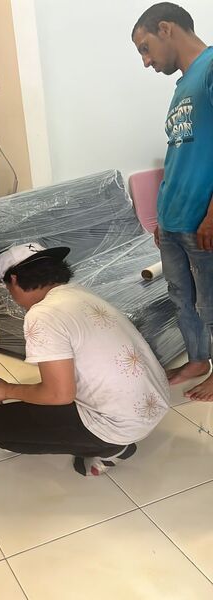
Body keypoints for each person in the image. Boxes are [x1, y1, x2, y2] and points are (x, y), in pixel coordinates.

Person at [0, 243, 169, 476]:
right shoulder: (79, 292)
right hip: (154, 403)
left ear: (14, 280)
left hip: (120, 424)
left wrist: (6, 390)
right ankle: (114, 437)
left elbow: (59, 395)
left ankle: (111, 447)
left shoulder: (42, 314)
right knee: (42, 395)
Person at [132, 3, 213, 401]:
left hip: (202, 219)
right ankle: (198, 360)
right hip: (174, 219)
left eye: (145, 48)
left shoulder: (210, 68)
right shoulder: (182, 86)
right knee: (182, 300)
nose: (146, 62)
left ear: (165, 28)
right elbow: (179, 152)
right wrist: (161, 216)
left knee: (211, 302)